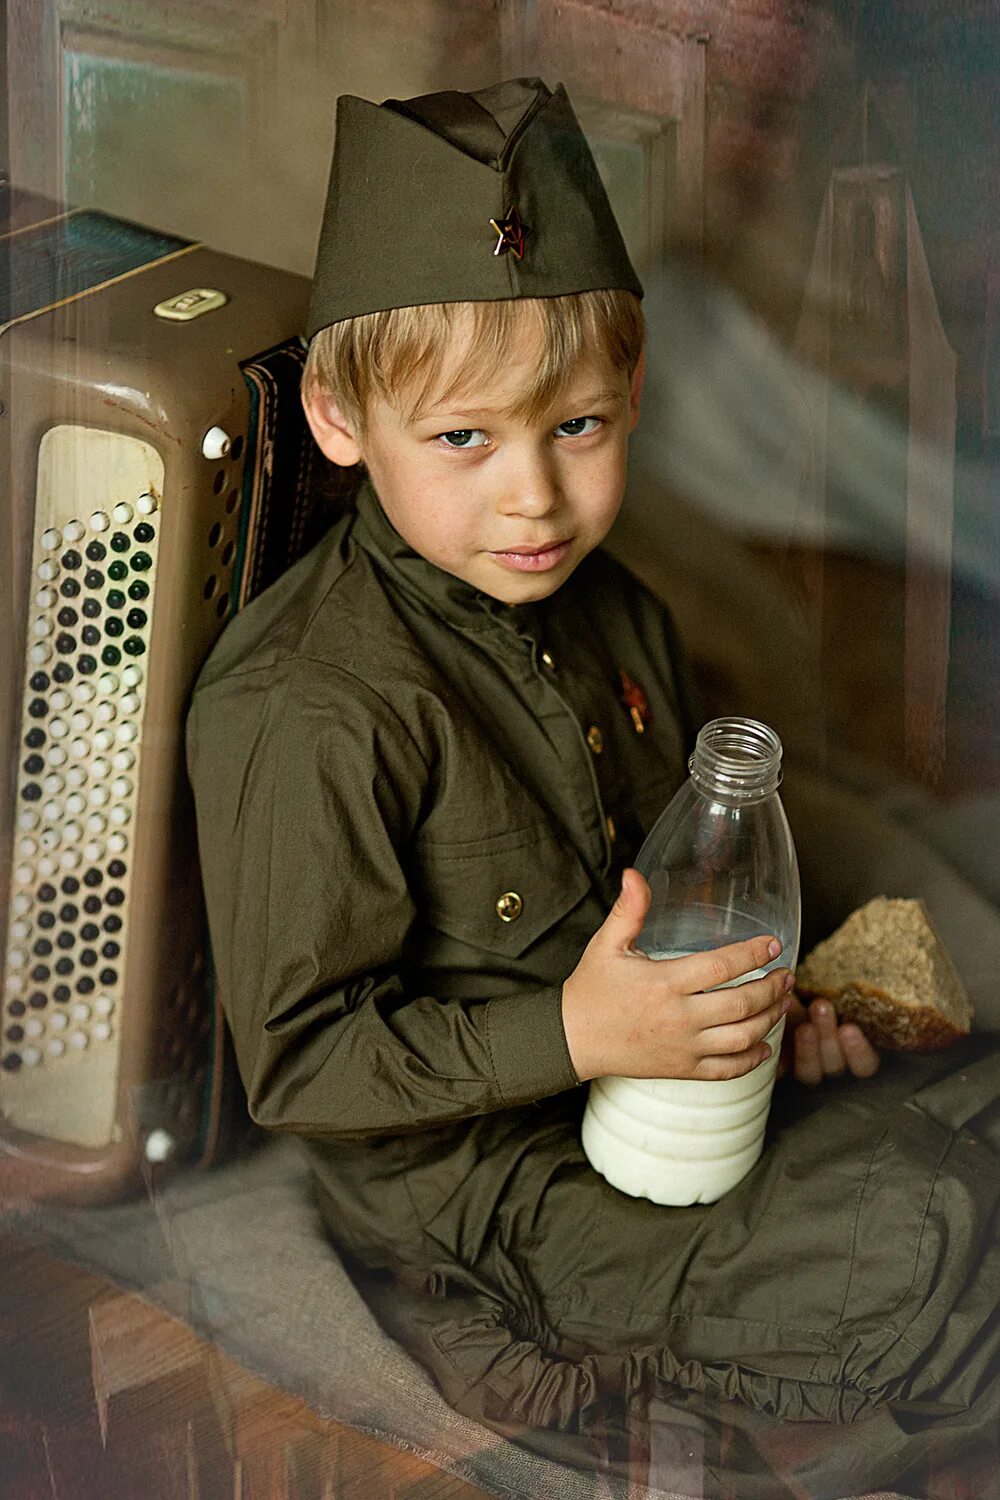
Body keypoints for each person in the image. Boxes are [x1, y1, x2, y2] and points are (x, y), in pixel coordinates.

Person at [186, 79, 999, 1499]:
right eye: (463, 441)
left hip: (658, 1097)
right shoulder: (309, 706)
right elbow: (305, 1066)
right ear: (336, 413)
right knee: (932, 1256)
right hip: (490, 1204)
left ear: (633, 393)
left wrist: (763, 1020)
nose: (533, 500)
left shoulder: (621, 616)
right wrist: (576, 1027)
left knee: (976, 1120)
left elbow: (672, 884)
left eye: (576, 428)